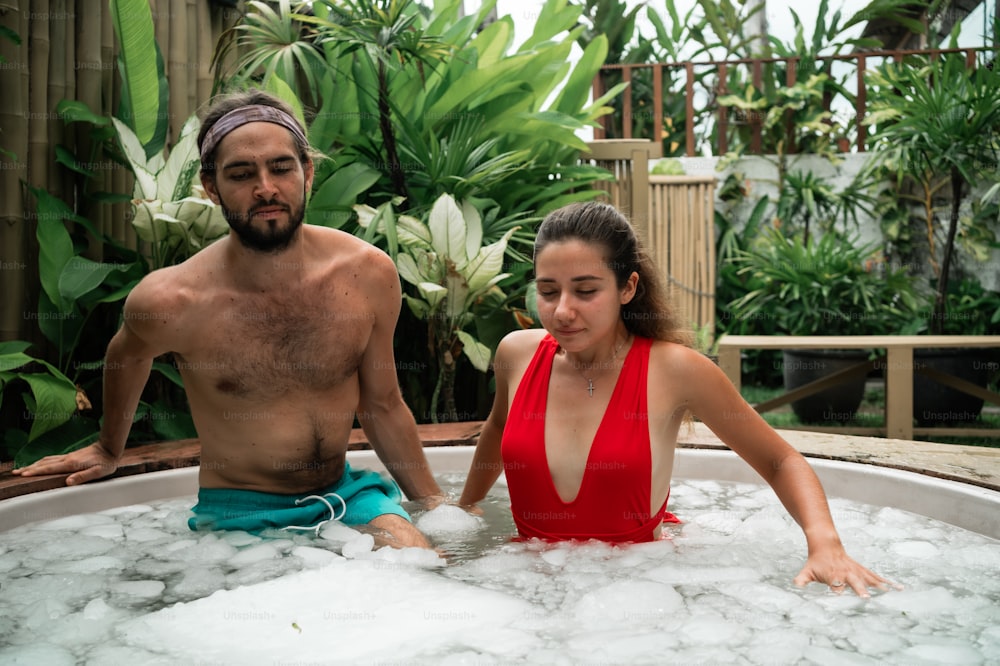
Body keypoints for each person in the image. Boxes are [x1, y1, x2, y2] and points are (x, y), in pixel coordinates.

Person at [14, 90, 444, 548]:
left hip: (346, 495)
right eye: (241, 174)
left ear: (308, 172)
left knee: (419, 565)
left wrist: (436, 504)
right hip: (239, 513)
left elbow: (381, 404)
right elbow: (126, 354)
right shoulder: (173, 299)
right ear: (211, 186)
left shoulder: (367, 274)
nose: (266, 188)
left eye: (281, 168)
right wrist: (108, 448)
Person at [459, 201, 895, 598]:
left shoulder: (676, 370)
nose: (563, 310)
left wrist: (825, 545)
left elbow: (780, 460)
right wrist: (464, 511)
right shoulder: (516, 354)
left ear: (627, 288)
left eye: (587, 291)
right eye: (549, 291)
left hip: (637, 591)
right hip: (525, 584)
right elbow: (498, 428)